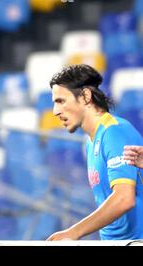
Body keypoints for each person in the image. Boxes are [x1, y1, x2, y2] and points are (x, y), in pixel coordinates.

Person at [46, 64, 143, 241]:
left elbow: (124, 198)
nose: (55, 111)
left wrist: (73, 232)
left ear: (85, 96)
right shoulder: (90, 142)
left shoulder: (115, 132)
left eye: (61, 101)